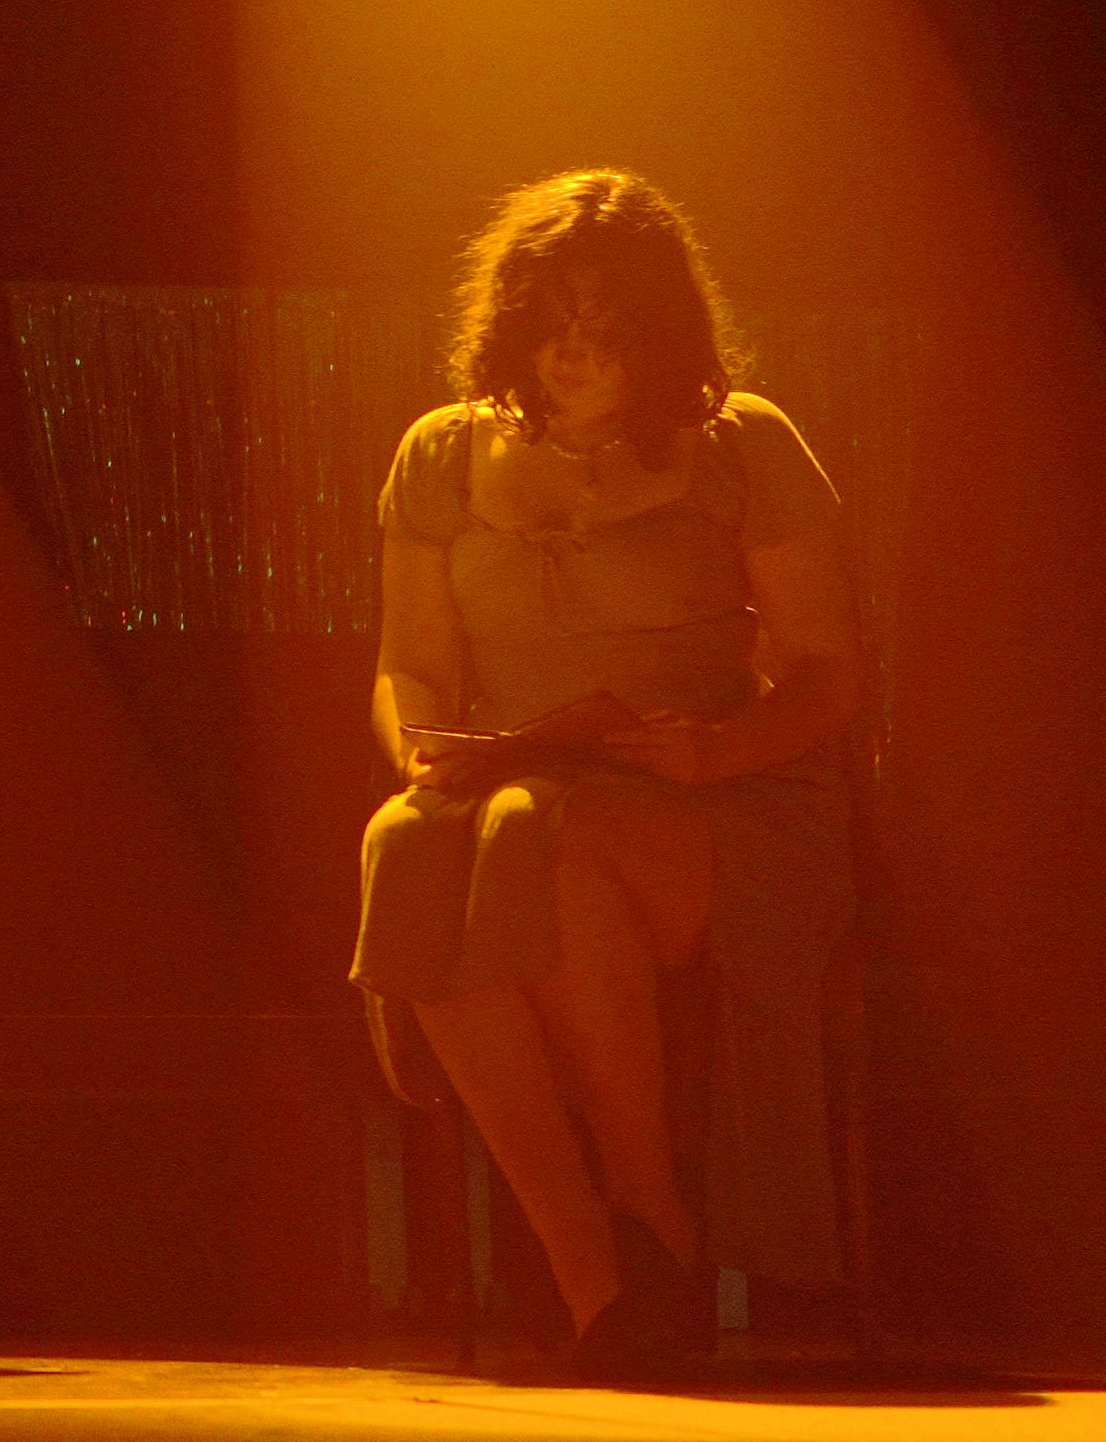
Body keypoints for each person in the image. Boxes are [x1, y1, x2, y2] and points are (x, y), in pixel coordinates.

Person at [352, 169, 859, 1379]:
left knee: (544, 836)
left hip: (718, 792)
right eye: (551, 326)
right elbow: (408, 665)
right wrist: (419, 745)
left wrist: (714, 748)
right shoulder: (439, 453)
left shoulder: (741, 441)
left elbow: (828, 672)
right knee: (406, 840)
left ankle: (650, 1211)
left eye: (606, 329)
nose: (573, 356)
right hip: (524, 785)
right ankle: (588, 1266)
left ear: (659, 333)